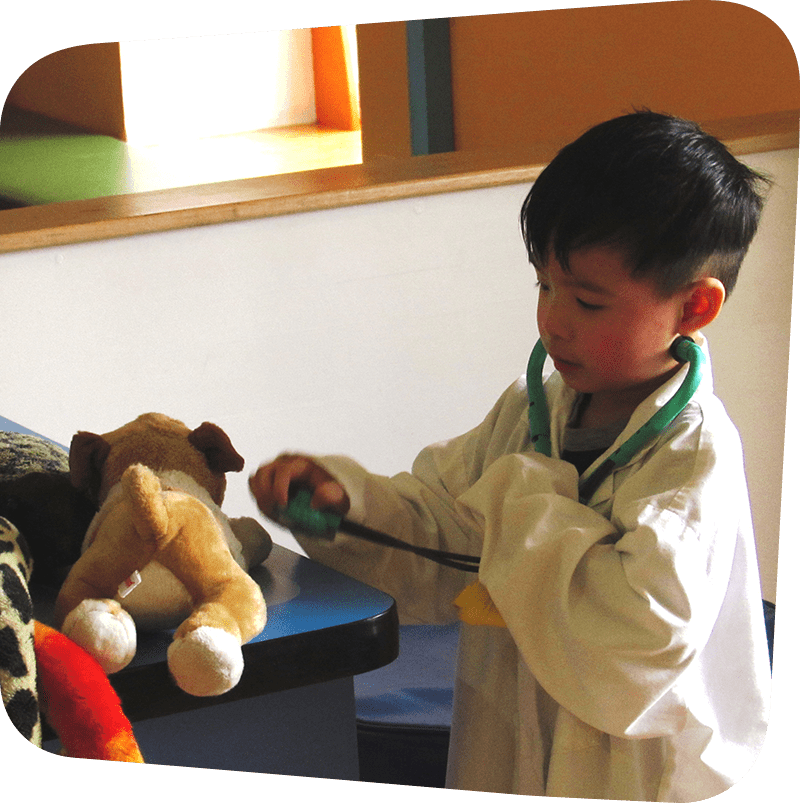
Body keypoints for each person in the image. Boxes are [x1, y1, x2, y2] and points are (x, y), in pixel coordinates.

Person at [249, 111, 773, 802]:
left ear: (694, 308)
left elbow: (634, 643)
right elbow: (447, 531)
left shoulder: (692, 458)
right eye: (545, 286)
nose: (554, 319)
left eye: (587, 299)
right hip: (512, 735)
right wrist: (351, 504)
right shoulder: (533, 413)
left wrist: (518, 501)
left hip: (638, 772)